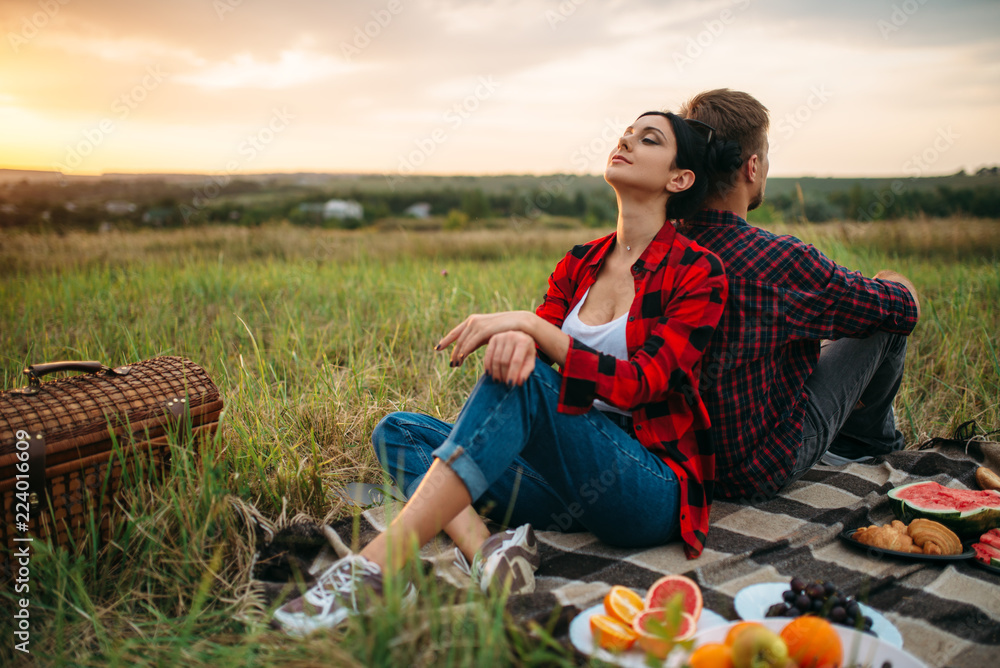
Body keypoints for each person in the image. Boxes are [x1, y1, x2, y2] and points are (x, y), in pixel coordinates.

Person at [274, 110, 731, 636]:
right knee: (397, 432)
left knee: (528, 378)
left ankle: (372, 569)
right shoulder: (580, 262)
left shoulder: (698, 270)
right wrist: (524, 334)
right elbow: (539, 352)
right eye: (626, 133)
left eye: (647, 139)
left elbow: (641, 385)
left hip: (644, 485)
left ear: (679, 179)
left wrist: (529, 326)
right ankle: (488, 549)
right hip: (561, 481)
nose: (626, 140)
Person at [676, 89, 921, 502]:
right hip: (756, 470)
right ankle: (866, 449)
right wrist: (897, 284)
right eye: (766, 157)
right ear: (752, 167)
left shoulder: (659, 247)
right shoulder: (780, 261)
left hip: (678, 464)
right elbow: (902, 312)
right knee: (885, 320)